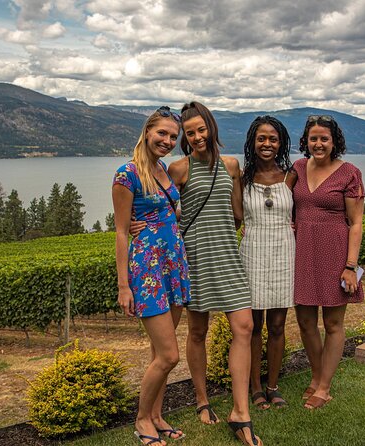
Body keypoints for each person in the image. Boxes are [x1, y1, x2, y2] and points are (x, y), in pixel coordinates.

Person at [131, 102, 262, 446]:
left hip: (227, 256)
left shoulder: (231, 166)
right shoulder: (178, 168)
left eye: (201, 129)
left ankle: (240, 411)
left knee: (244, 327)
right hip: (193, 259)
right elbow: (160, 205)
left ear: (211, 128)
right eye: (189, 133)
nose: (197, 137)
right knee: (198, 331)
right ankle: (202, 400)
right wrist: (134, 223)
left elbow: (237, 212)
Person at [112, 106, 190, 446]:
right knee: (170, 355)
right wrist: (123, 286)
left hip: (173, 265)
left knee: (159, 354)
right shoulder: (126, 174)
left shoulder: (163, 170)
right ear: (147, 132)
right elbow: (120, 232)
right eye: (162, 133)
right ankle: (142, 419)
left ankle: (157, 416)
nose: (168, 141)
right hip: (148, 270)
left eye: (173, 136)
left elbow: (169, 212)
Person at [291, 114, 365, 410]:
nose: (318, 144)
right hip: (301, 253)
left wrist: (350, 266)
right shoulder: (297, 168)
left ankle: (324, 387)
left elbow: (356, 223)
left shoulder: (349, 173)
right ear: (306, 141)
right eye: (314, 138)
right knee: (306, 322)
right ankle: (316, 374)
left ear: (335, 142)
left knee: (333, 323)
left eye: (324, 138)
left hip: (335, 254)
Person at [239, 116, 295, 411]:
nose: (267, 144)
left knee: (277, 324)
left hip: (284, 253)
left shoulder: (291, 177)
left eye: (273, 139)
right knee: (252, 326)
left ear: (280, 143)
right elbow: (233, 218)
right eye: (261, 138)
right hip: (252, 253)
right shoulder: (241, 178)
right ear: (252, 142)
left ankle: (273, 386)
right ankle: (255, 388)